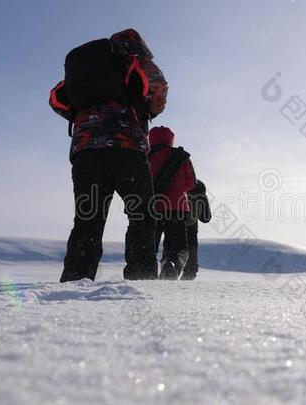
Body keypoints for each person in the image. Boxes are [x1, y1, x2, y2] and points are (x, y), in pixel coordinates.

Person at [49, 29, 168, 282]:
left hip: (86, 152)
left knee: (88, 219)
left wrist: (88, 114)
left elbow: (58, 101)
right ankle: (141, 279)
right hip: (127, 149)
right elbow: (159, 93)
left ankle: (74, 283)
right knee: (142, 214)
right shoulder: (135, 60)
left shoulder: (85, 67)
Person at [147, 126, 196, 280]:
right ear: (171, 139)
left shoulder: (145, 156)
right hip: (177, 207)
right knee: (178, 245)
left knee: (148, 245)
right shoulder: (181, 156)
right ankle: (172, 263)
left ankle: (146, 275)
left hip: (152, 207)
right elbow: (191, 183)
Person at [182, 180, 212, 280]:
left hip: (173, 231)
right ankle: (184, 290)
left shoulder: (179, 186)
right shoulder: (200, 189)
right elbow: (206, 218)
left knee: (172, 261)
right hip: (191, 235)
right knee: (191, 267)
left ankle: (165, 286)